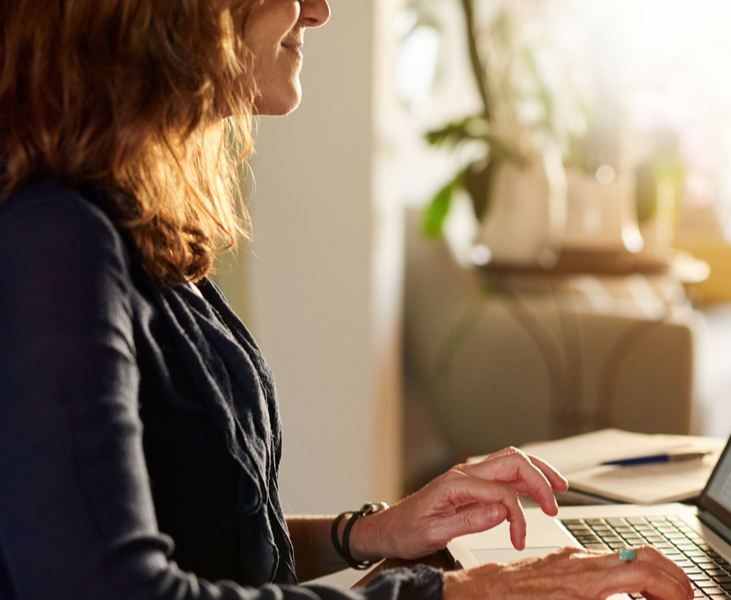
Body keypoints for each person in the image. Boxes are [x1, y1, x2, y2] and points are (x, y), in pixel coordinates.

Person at [0, 1, 692, 599]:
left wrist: (373, 532)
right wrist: (459, 591)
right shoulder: (53, 239)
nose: (319, 9)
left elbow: (207, 548)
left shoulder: (128, 218)